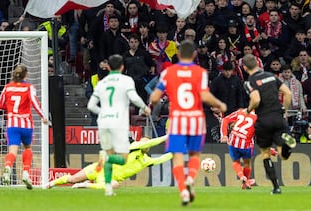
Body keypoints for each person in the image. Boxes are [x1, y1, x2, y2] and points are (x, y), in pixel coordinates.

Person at [149, 40, 227, 206]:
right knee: (194, 154)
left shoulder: (168, 72)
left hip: (177, 119)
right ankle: (191, 178)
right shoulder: (200, 72)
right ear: (194, 55)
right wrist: (219, 104)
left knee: (177, 157)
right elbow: (205, 96)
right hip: (196, 120)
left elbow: (154, 97)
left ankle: (183, 190)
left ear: (178, 54)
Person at [87, 54, 151, 196]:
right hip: (119, 122)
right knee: (122, 159)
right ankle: (107, 161)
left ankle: (108, 188)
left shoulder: (101, 83)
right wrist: (145, 108)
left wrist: (103, 112)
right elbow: (134, 97)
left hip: (103, 122)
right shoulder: (126, 80)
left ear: (108, 67)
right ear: (122, 67)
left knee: (108, 153)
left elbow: (91, 105)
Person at [242, 54, 297, 194]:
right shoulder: (272, 76)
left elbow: (255, 99)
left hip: (263, 120)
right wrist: (284, 111)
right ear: (257, 63)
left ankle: (276, 187)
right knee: (283, 155)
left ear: (244, 67)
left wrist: (248, 110)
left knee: (265, 153)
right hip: (278, 117)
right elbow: (288, 93)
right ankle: (288, 144)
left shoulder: (249, 82)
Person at [46, 135, 172, 189]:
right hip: (100, 168)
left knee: (115, 185)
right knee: (73, 179)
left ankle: (85, 185)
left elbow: (161, 159)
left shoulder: (146, 160)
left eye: (146, 143)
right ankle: (50, 184)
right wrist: (166, 137)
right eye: (143, 141)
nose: (145, 144)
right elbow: (151, 142)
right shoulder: (133, 146)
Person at [0, 64, 48, 190]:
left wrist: (9, 108)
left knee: (12, 151)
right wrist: (43, 116)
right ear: (26, 75)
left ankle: (8, 167)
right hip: (26, 124)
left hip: (12, 124)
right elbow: (35, 102)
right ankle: (25, 173)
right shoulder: (29, 87)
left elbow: (0, 104)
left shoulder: (7, 87)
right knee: (28, 148)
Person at [220, 108, 258, 189]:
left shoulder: (240, 111)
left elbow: (225, 119)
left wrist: (224, 135)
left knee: (235, 162)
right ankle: (246, 181)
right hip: (246, 144)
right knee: (247, 163)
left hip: (233, 140)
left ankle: (242, 177)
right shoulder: (258, 117)